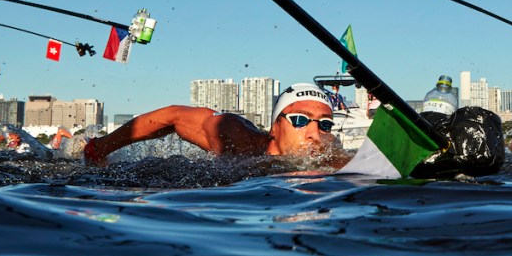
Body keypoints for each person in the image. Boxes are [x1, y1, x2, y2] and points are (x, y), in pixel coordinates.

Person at [80, 83, 349, 167]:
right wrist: (99, 148)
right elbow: (172, 115)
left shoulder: (330, 153)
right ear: (274, 127)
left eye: (325, 124)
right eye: (300, 120)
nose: (314, 134)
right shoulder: (235, 137)